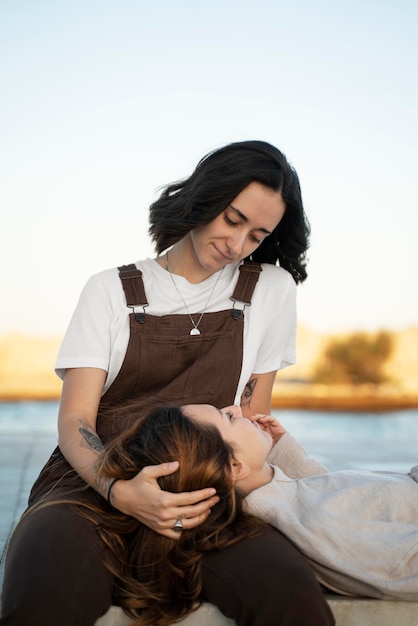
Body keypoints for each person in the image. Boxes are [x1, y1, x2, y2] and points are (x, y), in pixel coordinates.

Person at [0, 140, 335, 626]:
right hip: (90, 486)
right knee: (46, 592)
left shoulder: (271, 290)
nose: (238, 245)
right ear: (203, 197)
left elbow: (249, 421)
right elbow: (75, 419)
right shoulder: (110, 289)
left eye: (258, 236)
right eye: (232, 219)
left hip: (205, 494)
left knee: (290, 592)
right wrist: (119, 491)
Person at [183, 403, 418, 602]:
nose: (236, 407)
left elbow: (325, 491)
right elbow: (399, 568)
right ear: (235, 467)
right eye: (229, 418)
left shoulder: (292, 503)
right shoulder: (311, 522)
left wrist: (281, 450)